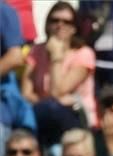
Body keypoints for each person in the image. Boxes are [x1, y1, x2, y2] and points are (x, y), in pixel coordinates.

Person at [21, 0, 96, 145]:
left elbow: (57, 92)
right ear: (48, 24)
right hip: (43, 113)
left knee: (52, 108)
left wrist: (56, 57)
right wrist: (47, 101)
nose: (59, 25)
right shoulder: (36, 51)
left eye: (66, 22)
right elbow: (25, 93)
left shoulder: (83, 53)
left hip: (74, 118)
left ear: (74, 27)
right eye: (55, 20)